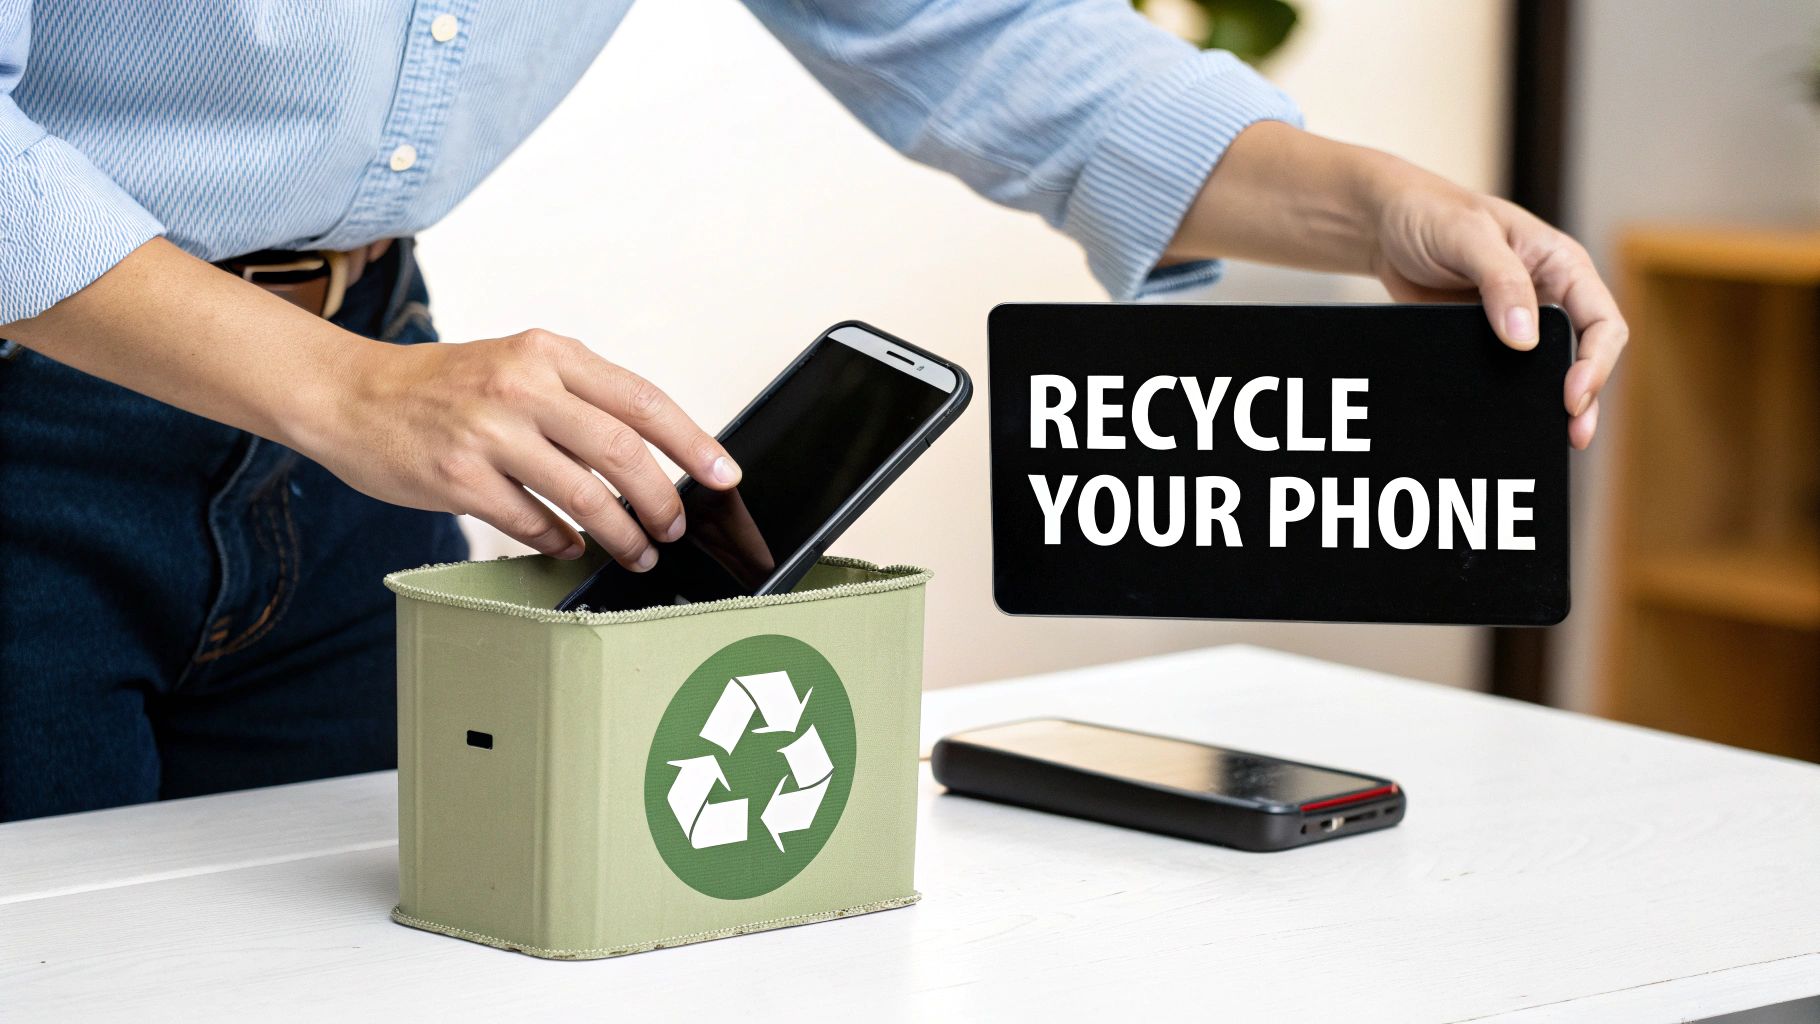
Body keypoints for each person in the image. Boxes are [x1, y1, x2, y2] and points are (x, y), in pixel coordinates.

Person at [0, 2, 1626, 822]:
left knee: (357, 964)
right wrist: (344, 390)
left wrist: (1373, 206)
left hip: (353, 444)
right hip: (66, 435)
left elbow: (984, 35)